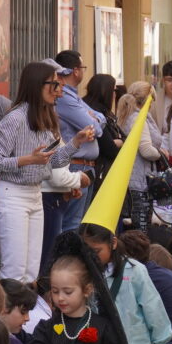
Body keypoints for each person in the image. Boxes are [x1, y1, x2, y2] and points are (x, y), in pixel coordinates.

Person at [0, 61, 95, 282]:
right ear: (38, 85)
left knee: (31, 271)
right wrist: (28, 160)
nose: (59, 90)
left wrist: (75, 141)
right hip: (11, 194)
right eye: (55, 84)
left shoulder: (45, 118)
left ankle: (25, 314)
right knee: (15, 270)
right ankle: (9, 314)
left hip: (34, 194)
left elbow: (54, 161)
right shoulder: (15, 118)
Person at [48, 51, 105, 235]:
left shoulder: (72, 96)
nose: (61, 84)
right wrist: (94, 119)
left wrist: (95, 118)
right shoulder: (64, 98)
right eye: (58, 79)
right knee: (70, 225)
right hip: (73, 165)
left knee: (77, 224)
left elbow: (100, 121)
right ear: (75, 70)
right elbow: (94, 126)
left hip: (83, 167)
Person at [117, 82, 165, 231]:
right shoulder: (139, 119)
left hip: (131, 178)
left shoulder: (126, 115)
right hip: (140, 181)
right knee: (141, 227)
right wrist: (161, 154)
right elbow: (146, 150)